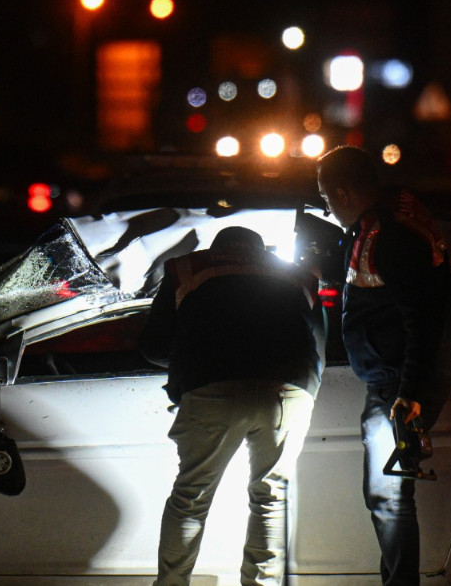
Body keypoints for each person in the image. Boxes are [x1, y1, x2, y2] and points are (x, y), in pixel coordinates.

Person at [138, 225, 326, 586]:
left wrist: (190, 360)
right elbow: (316, 343)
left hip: (212, 389)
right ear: (261, 249)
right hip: (287, 391)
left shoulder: (186, 268)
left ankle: (172, 584)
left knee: (191, 497)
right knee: (271, 499)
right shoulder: (298, 275)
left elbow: (154, 346)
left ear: (217, 247)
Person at [315, 145, 451, 586]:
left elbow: (423, 319)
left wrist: (409, 394)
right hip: (390, 381)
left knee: (390, 498)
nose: (324, 205)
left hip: (396, 387)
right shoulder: (376, 227)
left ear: (344, 190)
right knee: (387, 497)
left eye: (324, 196)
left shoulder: (391, 236)